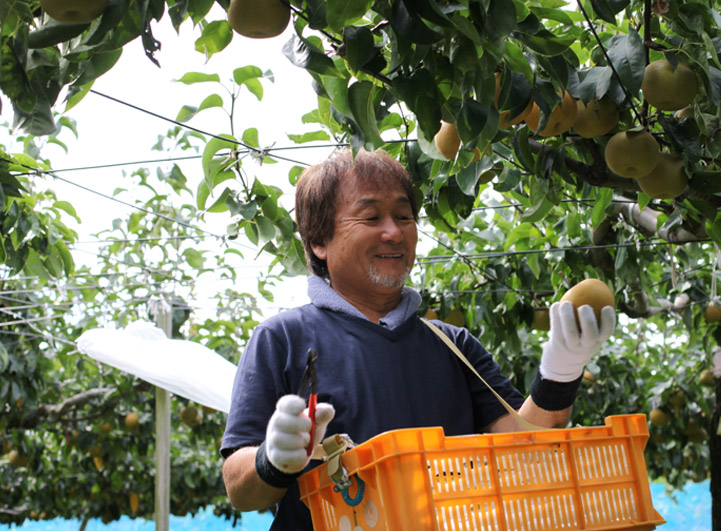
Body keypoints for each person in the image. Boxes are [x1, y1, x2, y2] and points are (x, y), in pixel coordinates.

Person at [220, 149, 615, 529]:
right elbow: (239, 488)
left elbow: (529, 454)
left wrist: (560, 372)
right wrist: (273, 461)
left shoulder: (453, 345)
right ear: (319, 242)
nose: (394, 232)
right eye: (371, 216)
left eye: (404, 217)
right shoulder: (283, 339)